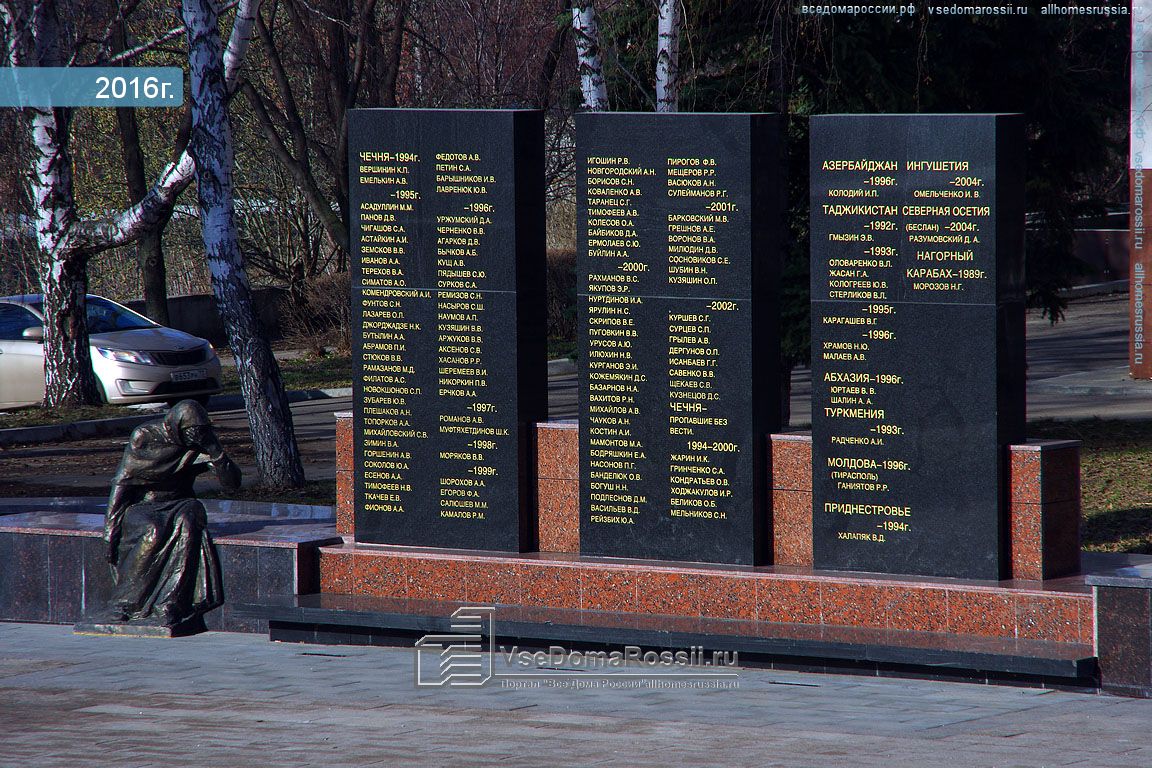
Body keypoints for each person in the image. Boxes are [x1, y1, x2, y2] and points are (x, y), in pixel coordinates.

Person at [101, 399, 241, 628]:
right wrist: (110, 530)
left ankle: (168, 603)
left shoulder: (201, 442)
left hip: (181, 502)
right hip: (144, 505)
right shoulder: (145, 436)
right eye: (191, 434)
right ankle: (124, 603)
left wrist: (215, 450)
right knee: (153, 531)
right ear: (176, 427)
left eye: (199, 434)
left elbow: (233, 484)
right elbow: (122, 484)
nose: (195, 439)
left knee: (188, 522)